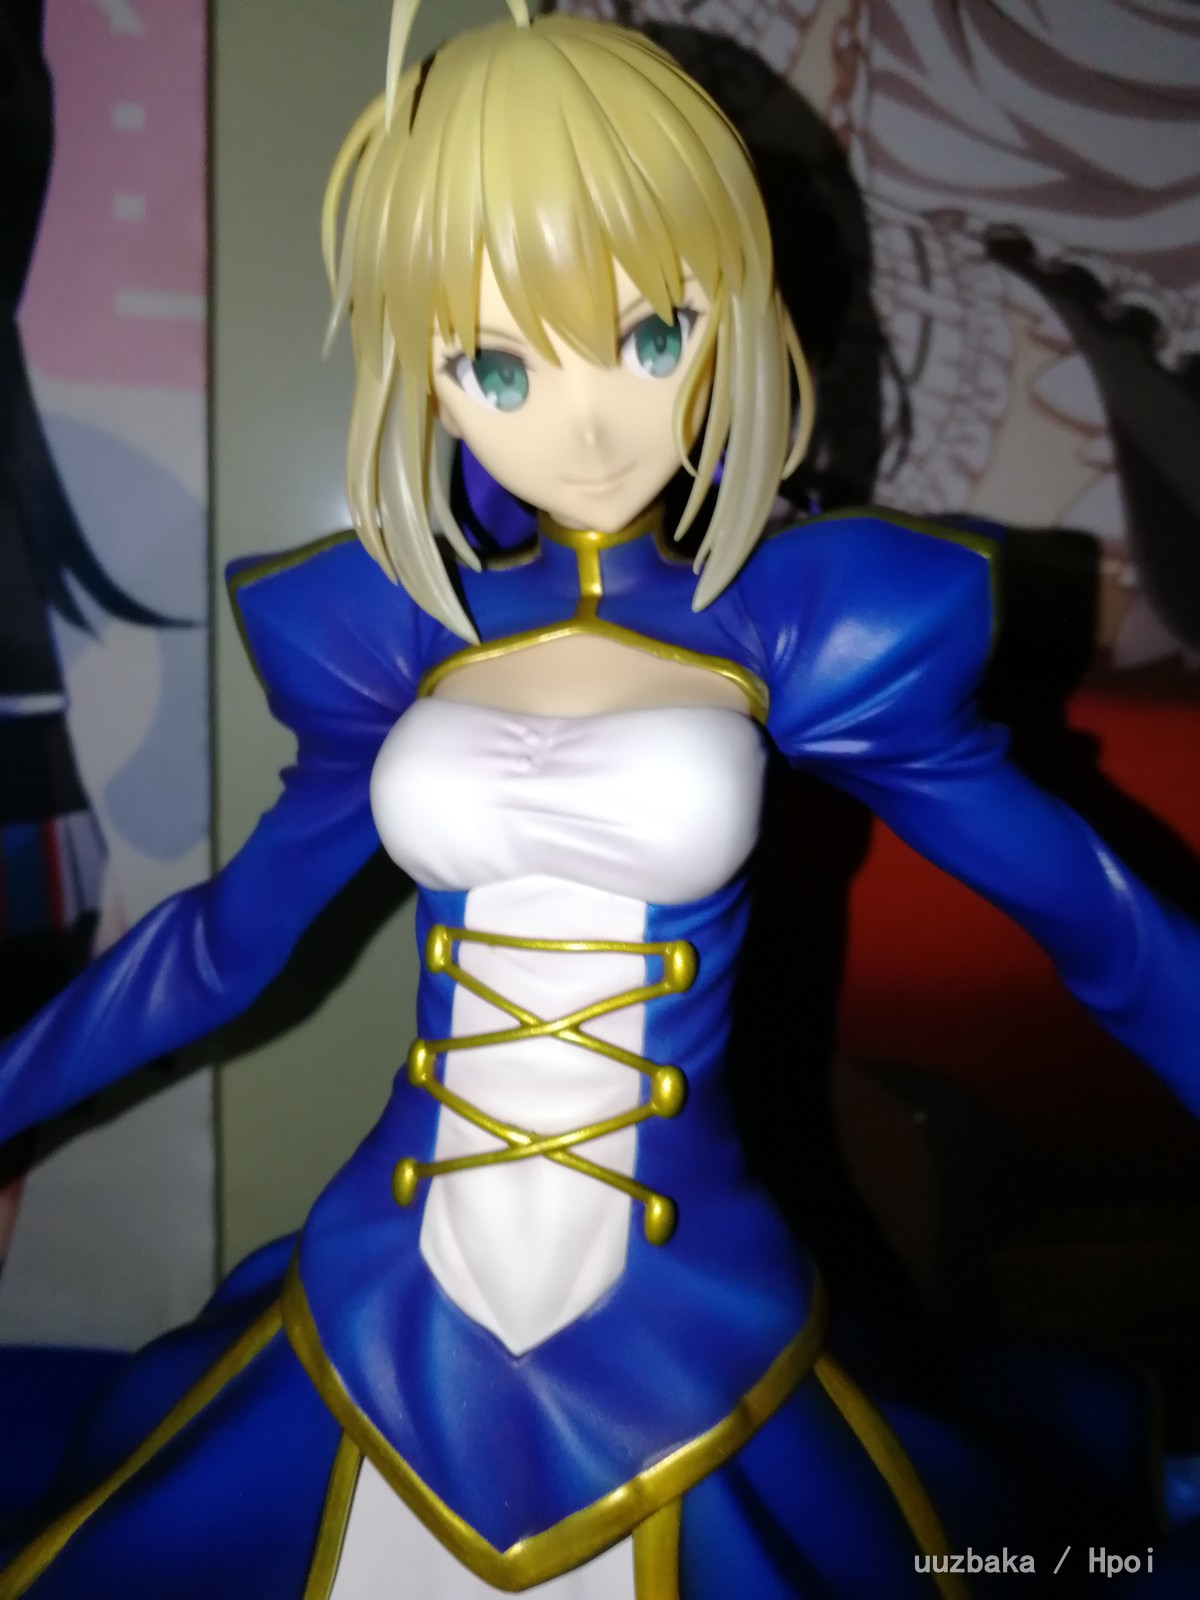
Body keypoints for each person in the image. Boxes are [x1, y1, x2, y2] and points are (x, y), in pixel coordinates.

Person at [1, 4, 1197, 1596]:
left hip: (684, 1316)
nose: (584, 422)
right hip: (392, 1293)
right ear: (424, 369)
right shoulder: (390, 632)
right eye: (496, 362)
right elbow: (221, 946)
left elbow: (1094, 920)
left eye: (650, 337)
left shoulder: (802, 625)